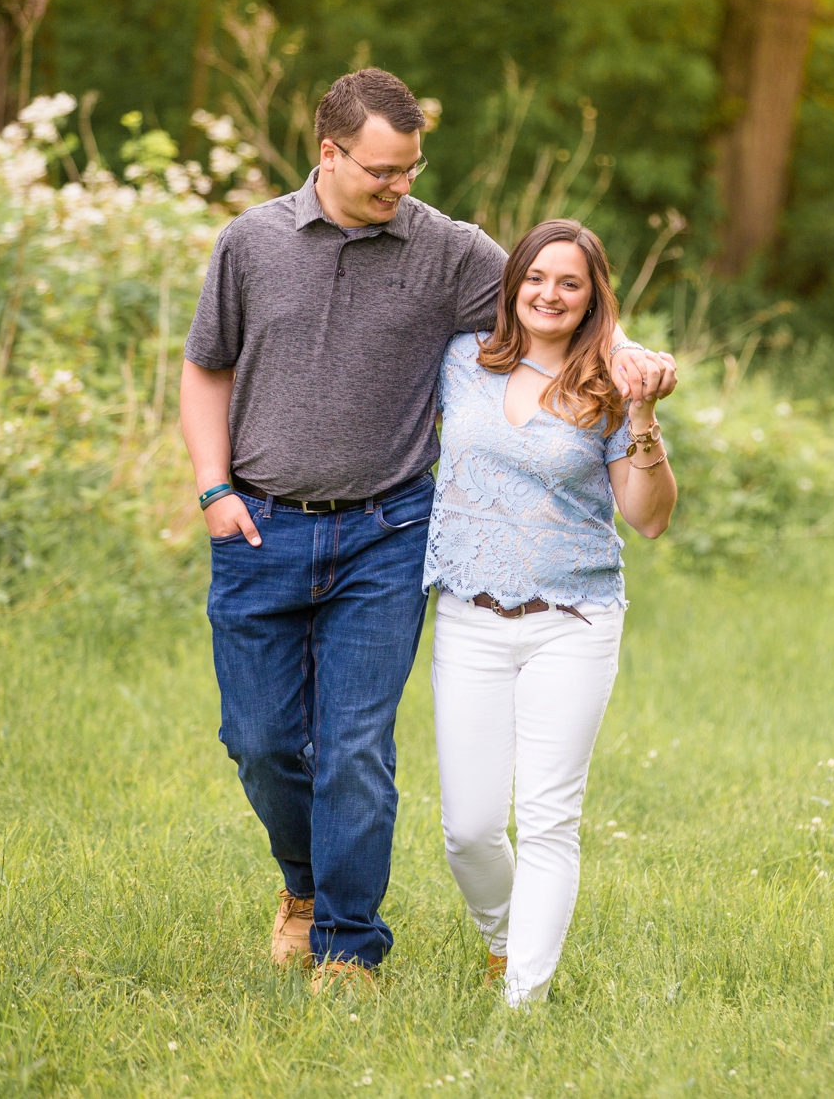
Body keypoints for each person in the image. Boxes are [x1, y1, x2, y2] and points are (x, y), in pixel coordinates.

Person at [179, 69, 674, 991]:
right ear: (328, 154)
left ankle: (347, 945)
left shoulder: (446, 248)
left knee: (357, 745)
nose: (401, 186)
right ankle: (303, 887)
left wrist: (632, 357)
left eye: (412, 168)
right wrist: (214, 488)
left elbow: (555, 298)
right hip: (260, 528)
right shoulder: (249, 244)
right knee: (260, 740)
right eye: (382, 170)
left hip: (387, 530)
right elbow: (207, 368)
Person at [426, 218, 677, 1007]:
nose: (550, 294)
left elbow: (650, 516)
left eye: (571, 282)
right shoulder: (459, 360)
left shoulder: (609, 383)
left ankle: (523, 1001)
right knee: (467, 828)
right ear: (514, 283)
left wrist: (641, 419)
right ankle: (507, 941)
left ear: (593, 297)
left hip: (573, 618)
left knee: (546, 817)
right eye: (537, 277)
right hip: (468, 612)